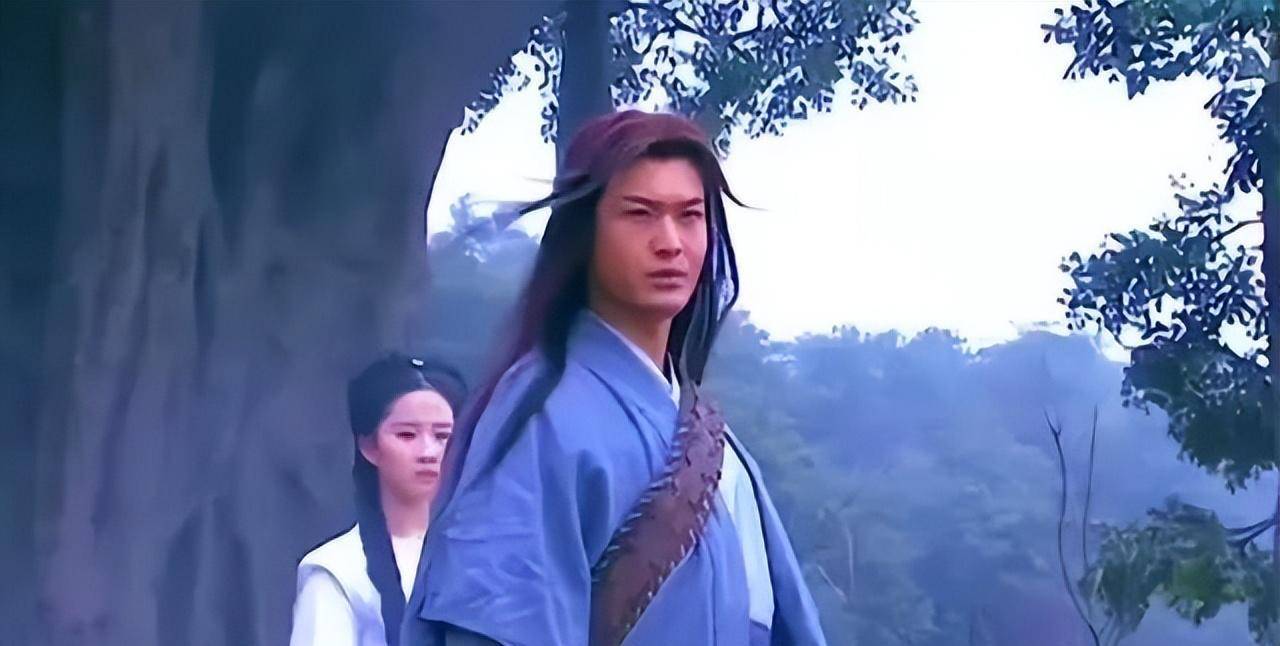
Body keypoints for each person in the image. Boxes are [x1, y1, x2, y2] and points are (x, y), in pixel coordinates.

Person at [402, 110, 826, 646]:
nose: (669, 242)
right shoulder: (541, 420)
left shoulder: (722, 454)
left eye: (690, 216)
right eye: (640, 214)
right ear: (586, 232)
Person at [291, 354, 467, 646]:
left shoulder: (487, 556)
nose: (428, 452)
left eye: (442, 436)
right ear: (369, 446)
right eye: (407, 434)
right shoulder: (339, 568)